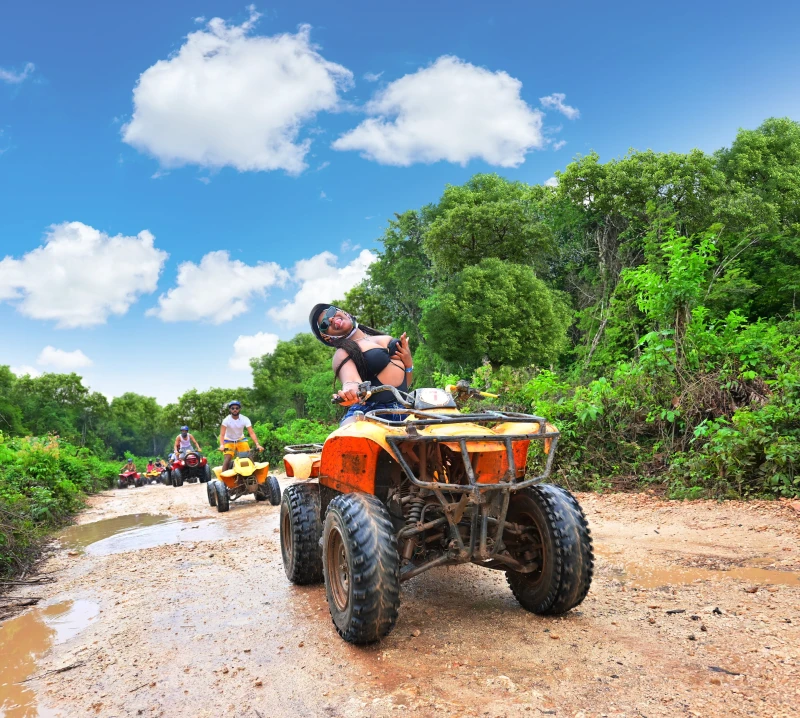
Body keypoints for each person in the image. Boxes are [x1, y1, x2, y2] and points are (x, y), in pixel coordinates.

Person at [309, 304, 413, 425]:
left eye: (330, 313)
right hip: (372, 412)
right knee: (350, 434)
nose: (330, 319)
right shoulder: (342, 353)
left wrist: (408, 363)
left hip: (405, 407)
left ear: (343, 312)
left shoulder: (382, 337)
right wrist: (350, 393)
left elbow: (406, 384)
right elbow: (351, 381)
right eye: (324, 324)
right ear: (327, 337)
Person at [219, 400, 263, 471]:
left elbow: (251, 432)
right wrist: (221, 445)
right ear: (230, 410)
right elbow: (222, 434)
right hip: (228, 440)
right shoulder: (226, 420)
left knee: (249, 455)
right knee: (228, 458)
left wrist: (257, 444)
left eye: (237, 408)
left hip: (240, 439)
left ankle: (254, 474)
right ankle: (224, 479)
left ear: (239, 409)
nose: (235, 410)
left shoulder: (245, 419)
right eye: (233, 408)